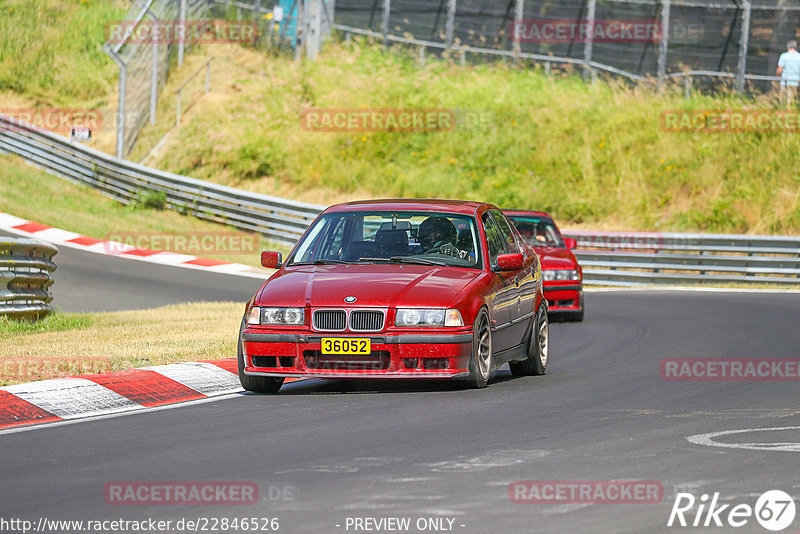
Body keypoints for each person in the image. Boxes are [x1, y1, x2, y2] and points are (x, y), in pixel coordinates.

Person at [777, 40, 800, 108]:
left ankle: (783, 113)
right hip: (795, 82)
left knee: (782, 100)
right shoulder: (799, 56)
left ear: (788, 47)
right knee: (790, 100)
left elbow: (779, 69)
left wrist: (776, 77)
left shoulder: (784, 56)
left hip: (784, 81)